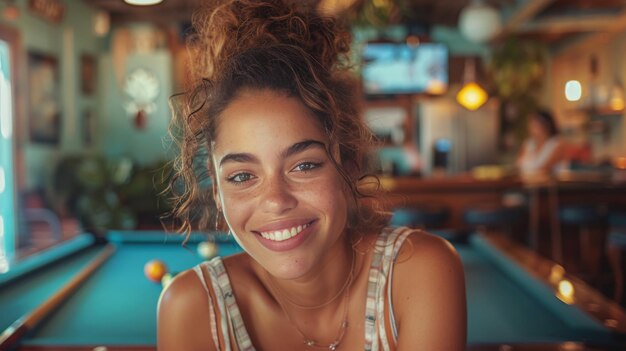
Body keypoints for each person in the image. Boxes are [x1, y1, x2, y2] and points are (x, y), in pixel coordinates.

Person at [157, 1, 466, 350]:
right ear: (216, 189)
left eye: (304, 165)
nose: (275, 200)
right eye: (242, 176)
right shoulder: (190, 307)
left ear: (348, 163)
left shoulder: (419, 272)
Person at [516, 109, 567, 175]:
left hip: (548, 184)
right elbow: (518, 166)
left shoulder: (557, 144)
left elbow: (546, 169)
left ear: (546, 125)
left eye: (535, 124)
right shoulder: (528, 144)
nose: (530, 127)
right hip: (526, 182)